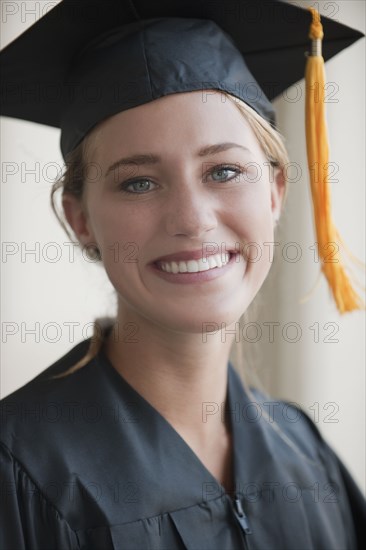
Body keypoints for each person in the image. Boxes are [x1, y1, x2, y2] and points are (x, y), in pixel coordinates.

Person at [0, 1, 365, 548]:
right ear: (81, 222)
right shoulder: (20, 472)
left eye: (224, 171)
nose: (192, 220)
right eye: (138, 182)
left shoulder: (304, 450)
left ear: (275, 191)